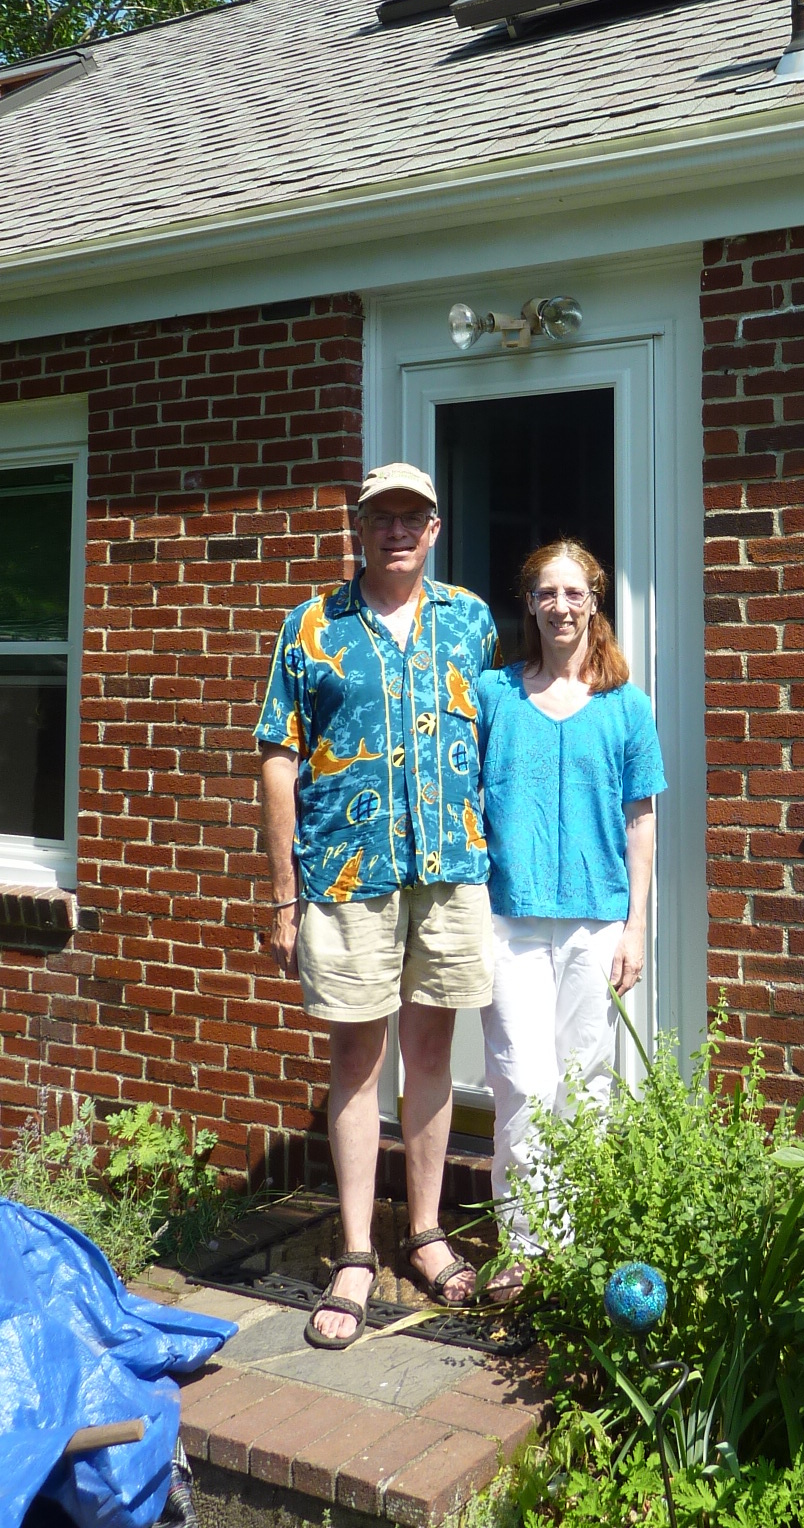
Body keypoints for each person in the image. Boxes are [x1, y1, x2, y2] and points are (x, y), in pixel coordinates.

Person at [257, 462, 500, 1349]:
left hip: (449, 867)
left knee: (433, 1049)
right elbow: (278, 757)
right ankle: (358, 1250)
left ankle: (427, 1233)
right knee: (357, 1056)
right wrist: (284, 894)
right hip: (347, 876)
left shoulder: (471, 621)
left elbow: (495, 741)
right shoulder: (312, 625)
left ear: (435, 529)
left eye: (413, 516)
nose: (397, 530)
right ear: (358, 526)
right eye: (381, 516)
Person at [477, 538, 666, 1278]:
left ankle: (573, 1243)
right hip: (509, 919)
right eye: (545, 594)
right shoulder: (494, 695)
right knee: (524, 1083)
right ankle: (524, 1249)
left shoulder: (625, 706)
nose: (560, 606)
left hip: (597, 922)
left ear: (595, 602)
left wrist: (636, 926)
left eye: (573, 593)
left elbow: (641, 820)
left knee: (585, 1089)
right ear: (529, 605)